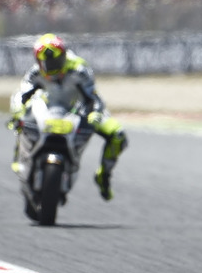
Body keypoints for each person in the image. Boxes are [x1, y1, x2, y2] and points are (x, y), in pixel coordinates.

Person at [9, 33, 128, 201]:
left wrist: (95, 112)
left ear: (64, 55)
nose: (52, 66)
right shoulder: (36, 72)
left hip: (79, 109)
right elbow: (21, 95)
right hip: (49, 109)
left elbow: (94, 98)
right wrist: (18, 111)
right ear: (38, 61)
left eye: (56, 61)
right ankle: (19, 160)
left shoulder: (79, 69)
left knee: (118, 135)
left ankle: (104, 175)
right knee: (22, 120)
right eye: (47, 62)